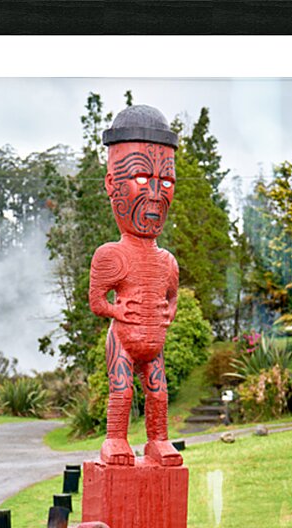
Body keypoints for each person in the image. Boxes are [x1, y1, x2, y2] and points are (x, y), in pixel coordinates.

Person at [89, 105, 183, 467]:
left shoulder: (167, 262)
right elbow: (96, 301)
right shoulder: (111, 255)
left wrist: (168, 312)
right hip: (123, 342)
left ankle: (158, 440)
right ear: (112, 183)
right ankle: (116, 439)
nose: (157, 194)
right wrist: (115, 310)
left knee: (158, 392)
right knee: (122, 389)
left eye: (168, 181)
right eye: (142, 179)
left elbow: (172, 299)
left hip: (153, 343)